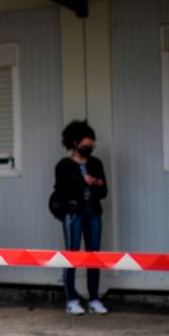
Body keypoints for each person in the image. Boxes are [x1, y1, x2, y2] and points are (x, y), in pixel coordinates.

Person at [53, 120, 109, 316]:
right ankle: (71, 299)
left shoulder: (96, 163)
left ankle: (94, 299)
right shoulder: (64, 166)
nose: (89, 149)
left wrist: (98, 183)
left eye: (91, 145)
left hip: (93, 212)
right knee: (72, 254)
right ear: (75, 143)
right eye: (85, 145)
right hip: (73, 214)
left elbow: (104, 192)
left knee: (94, 255)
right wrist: (81, 183)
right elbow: (61, 192)